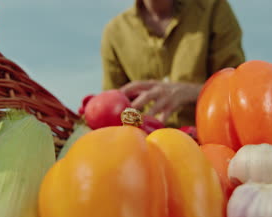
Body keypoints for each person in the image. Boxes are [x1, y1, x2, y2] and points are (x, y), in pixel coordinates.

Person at [100, 0, 245, 127]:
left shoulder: (214, 9)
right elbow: (111, 112)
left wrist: (191, 93)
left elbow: (237, 91)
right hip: (142, 148)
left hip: (207, 143)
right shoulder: (114, 33)